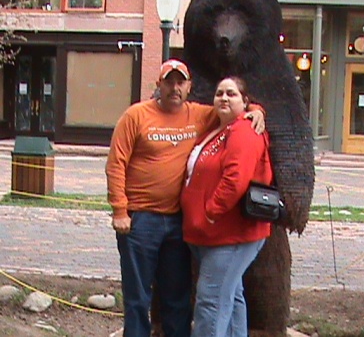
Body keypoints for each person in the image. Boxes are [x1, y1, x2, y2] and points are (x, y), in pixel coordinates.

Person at [105, 60, 265, 337]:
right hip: (140, 220)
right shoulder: (136, 116)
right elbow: (115, 163)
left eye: (181, 82)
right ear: (159, 85)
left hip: (177, 223)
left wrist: (256, 110)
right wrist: (120, 209)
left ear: (189, 87)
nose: (175, 88)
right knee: (137, 297)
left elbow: (233, 110)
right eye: (169, 81)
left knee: (177, 297)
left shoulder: (201, 115)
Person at [180, 76, 273, 337]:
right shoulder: (219, 129)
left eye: (231, 94)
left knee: (210, 302)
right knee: (229, 296)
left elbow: (235, 179)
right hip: (212, 235)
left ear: (245, 101)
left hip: (230, 235)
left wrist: (210, 212)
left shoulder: (243, 131)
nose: (223, 97)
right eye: (219, 92)